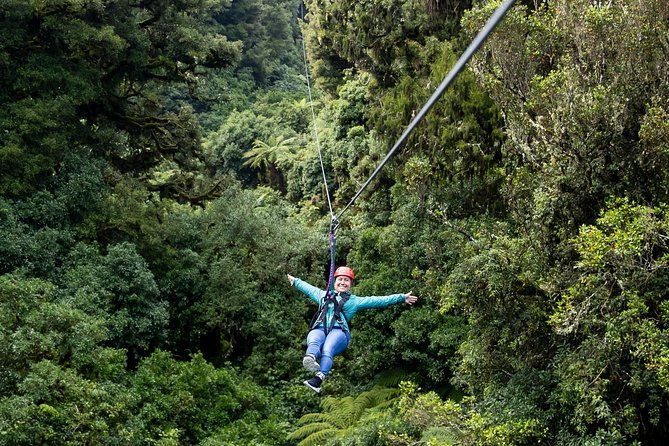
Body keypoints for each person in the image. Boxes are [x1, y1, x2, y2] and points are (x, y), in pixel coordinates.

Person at [287, 266, 418, 393]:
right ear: (334, 282)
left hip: (339, 332)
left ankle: (318, 379)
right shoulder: (323, 295)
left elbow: (378, 300)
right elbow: (308, 288)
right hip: (320, 328)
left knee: (328, 348)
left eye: (346, 280)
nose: (342, 282)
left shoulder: (354, 301)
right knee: (314, 339)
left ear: (350, 284)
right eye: (340, 279)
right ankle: (310, 357)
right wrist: (295, 281)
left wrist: (401, 297)